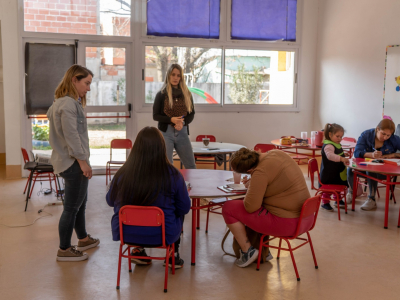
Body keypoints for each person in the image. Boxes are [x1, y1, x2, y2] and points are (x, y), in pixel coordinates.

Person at [106, 126, 191, 268]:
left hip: (127, 233)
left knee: (137, 207)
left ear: (136, 148)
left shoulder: (122, 173)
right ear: (162, 147)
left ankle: (138, 250)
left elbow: (110, 201)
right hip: (162, 234)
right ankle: (172, 255)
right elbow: (185, 208)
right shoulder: (173, 174)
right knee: (178, 209)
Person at [222, 148, 311, 268]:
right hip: (306, 217)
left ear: (249, 170)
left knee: (229, 208)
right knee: (262, 205)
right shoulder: (276, 153)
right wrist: (254, 182)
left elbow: (250, 207)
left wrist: (253, 183)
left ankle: (248, 251)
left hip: (288, 223)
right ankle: (265, 250)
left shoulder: (260, 172)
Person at [47, 65, 100, 262]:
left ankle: (83, 238)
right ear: (74, 81)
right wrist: (83, 162)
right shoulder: (68, 105)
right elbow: (72, 136)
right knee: (71, 207)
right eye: (86, 83)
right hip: (73, 164)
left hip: (66, 162)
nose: (88, 88)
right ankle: (64, 249)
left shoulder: (57, 104)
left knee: (79, 204)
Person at [347, 118, 400, 210]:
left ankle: (371, 199)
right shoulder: (366, 135)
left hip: (383, 172)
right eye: (383, 134)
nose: (385, 137)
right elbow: (357, 152)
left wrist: (393, 154)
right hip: (366, 168)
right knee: (351, 169)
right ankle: (351, 193)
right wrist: (370, 154)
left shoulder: (394, 139)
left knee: (371, 170)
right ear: (377, 129)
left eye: (388, 135)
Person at [153, 64, 196, 169]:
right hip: (166, 134)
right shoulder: (161, 94)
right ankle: (168, 186)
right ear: (168, 76)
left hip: (182, 132)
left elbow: (192, 114)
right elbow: (155, 116)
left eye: (178, 75)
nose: (176, 78)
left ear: (181, 77)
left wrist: (183, 123)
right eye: (173, 75)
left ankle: (190, 186)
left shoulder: (187, 94)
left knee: (191, 165)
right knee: (166, 166)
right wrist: (170, 119)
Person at [319, 123, 350, 212]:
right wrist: (341, 158)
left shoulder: (335, 143)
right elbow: (330, 156)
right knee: (328, 189)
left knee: (338, 185)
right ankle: (325, 203)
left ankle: (338, 200)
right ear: (330, 134)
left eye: (341, 137)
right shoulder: (328, 145)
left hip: (336, 172)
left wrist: (343, 154)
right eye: (337, 136)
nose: (340, 139)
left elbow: (337, 152)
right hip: (329, 173)